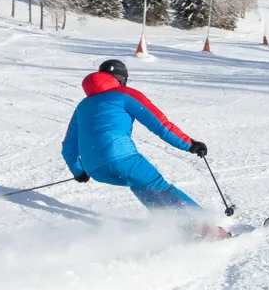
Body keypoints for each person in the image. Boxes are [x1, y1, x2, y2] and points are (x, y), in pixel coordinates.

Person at [62, 59, 230, 240]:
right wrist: (190, 144)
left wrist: (79, 171)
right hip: (121, 157)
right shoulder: (124, 94)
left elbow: (68, 148)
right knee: (160, 187)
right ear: (122, 79)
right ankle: (208, 229)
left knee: (141, 187)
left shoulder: (83, 105)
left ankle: (180, 228)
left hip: (95, 170)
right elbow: (160, 126)